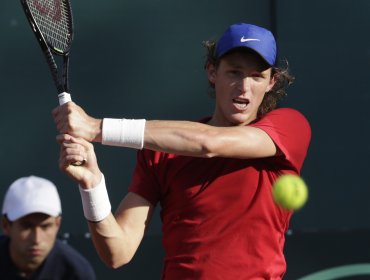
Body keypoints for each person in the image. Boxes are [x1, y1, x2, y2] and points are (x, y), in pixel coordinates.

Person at [53, 22, 311, 279]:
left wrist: (96, 128)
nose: (244, 87)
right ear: (212, 72)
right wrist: (92, 185)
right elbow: (117, 252)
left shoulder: (290, 127)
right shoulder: (161, 153)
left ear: (271, 82)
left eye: (257, 76)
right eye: (234, 72)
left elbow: (209, 144)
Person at [0, 175, 96, 280]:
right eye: (27, 226)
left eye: (45, 226)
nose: (36, 239)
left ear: (57, 224)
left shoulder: (76, 272)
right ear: (6, 225)